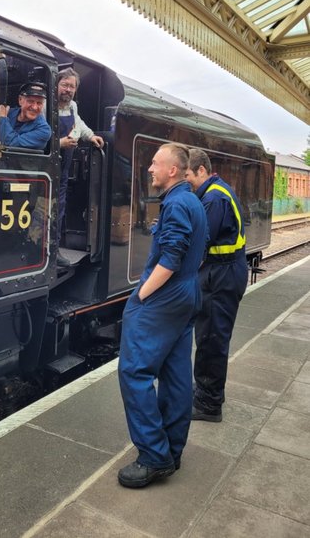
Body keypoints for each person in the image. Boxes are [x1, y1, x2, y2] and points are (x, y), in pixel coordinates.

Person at [118, 143, 208, 488]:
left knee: (134, 371)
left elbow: (171, 257)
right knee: (176, 372)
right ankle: (172, 450)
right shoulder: (193, 201)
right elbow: (199, 250)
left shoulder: (176, 204)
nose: (150, 169)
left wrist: (141, 296)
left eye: (156, 163)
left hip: (165, 297)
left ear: (173, 170)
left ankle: (154, 457)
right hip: (187, 294)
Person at [186, 148, 248, 422]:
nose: (186, 180)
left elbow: (200, 241)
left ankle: (209, 404)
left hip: (220, 276)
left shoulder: (213, 198)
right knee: (211, 336)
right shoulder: (217, 191)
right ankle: (209, 391)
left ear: (201, 170)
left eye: (187, 174)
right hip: (222, 274)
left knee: (211, 339)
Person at [56, 68, 104, 266]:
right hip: (46, 163)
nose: (68, 89)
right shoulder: (45, 105)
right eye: (64, 85)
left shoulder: (73, 107)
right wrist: (60, 143)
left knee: (58, 208)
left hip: (63, 166)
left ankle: (54, 250)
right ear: (56, 84)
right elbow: (37, 134)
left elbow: (79, 125)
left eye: (72, 86)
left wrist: (91, 136)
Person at [0, 82, 51, 150]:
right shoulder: (9, 113)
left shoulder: (44, 130)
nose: (35, 107)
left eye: (39, 103)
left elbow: (11, 144)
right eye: (30, 101)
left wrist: (2, 119)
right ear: (20, 100)